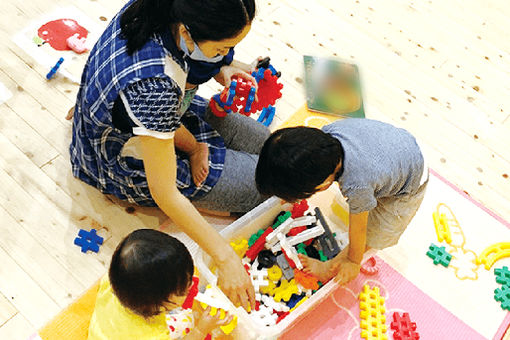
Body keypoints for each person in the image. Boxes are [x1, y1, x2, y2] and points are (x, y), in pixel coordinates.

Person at [70, 0, 268, 310]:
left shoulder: (163, 8)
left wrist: (222, 63)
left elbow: (167, 100)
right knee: (265, 188)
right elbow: (165, 192)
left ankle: (208, 168)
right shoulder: (154, 87)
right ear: (188, 33)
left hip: (160, 116)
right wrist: (225, 256)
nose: (225, 55)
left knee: (269, 149)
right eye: (221, 49)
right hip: (118, 156)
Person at [255, 118, 428, 284]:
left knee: (377, 233)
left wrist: (353, 261)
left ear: (324, 184)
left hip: (410, 183)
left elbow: (359, 229)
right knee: (365, 193)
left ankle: (329, 267)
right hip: (397, 143)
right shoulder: (327, 136)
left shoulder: (357, 185)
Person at [88, 229, 232, 339]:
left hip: (100, 333)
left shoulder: (113, 280)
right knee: (187, 322)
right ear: (156, 304)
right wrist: (200, 330)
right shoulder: (154, 334)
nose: (191, 287)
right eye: (183, 290)